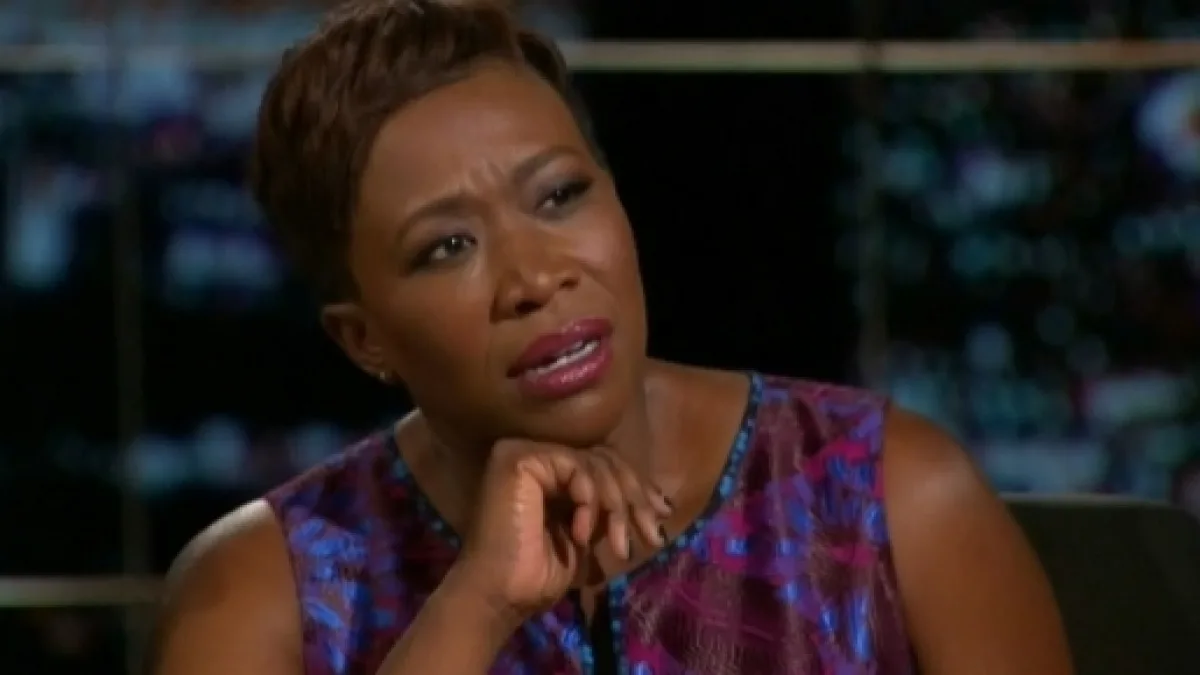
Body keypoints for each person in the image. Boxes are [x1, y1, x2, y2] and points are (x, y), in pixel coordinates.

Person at [148, 1, 1074, 673]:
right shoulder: (264, 593)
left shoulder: (892, 499)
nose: (535, 277)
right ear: (363, 340)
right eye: (448, 247)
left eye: (560, 195)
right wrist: (475, 606)